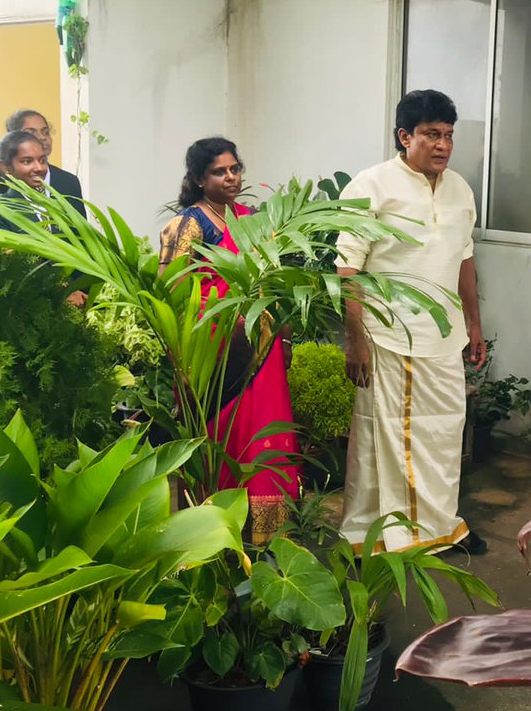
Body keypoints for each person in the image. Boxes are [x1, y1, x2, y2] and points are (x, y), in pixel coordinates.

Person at [335, 89, 487, 555]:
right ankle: (385, 535)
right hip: (390, 335)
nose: (442, 145)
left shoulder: (460, 189)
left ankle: (442, 524)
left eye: (448, 135)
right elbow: (348, 269)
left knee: (442, 434)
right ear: (405, 136)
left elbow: (464, 260)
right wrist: (355, 340)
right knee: (388, 437)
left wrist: (474, 326)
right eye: (431, 135)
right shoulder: (371, 186)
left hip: (444, 340)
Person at [158, 137, 300, 539]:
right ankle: (214, 524)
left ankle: (267, 530)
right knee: (223, 432)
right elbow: (171, 288)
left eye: (235, 168)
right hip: (214, 349)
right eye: (220, 171)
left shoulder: (254, 220)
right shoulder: (187, 224)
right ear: (201, 179)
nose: (231, 177)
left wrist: (285, 337)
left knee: (265, 430)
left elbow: (276, 281)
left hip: (261, 343)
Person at [5, 109, 85, 217]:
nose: (42, 137)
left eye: (46, 132)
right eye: (31, 133)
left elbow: (81, 230)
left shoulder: (68, 182)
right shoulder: (0, 184)